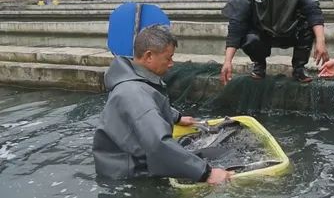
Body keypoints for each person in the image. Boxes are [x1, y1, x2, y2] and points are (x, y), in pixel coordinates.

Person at [93, 25, 232, 184]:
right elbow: (158, 144)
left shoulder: (130, 80)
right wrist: (207, 174)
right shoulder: (135, 94)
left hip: (117, 164)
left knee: (216, 152)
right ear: (149, 56)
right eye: (168, 58)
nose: (171, 63)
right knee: (223, 154)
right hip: (131, 177)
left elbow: (147, 109)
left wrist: (176, 117)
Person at [220, 0, 329, 84]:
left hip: (289, 31)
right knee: (249, 38)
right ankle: (259, 64)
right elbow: (236, 26)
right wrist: (227, 61)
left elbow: (313, 11)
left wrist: (321, 41)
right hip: (262, 34)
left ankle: (299, 68)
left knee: (308, 27)